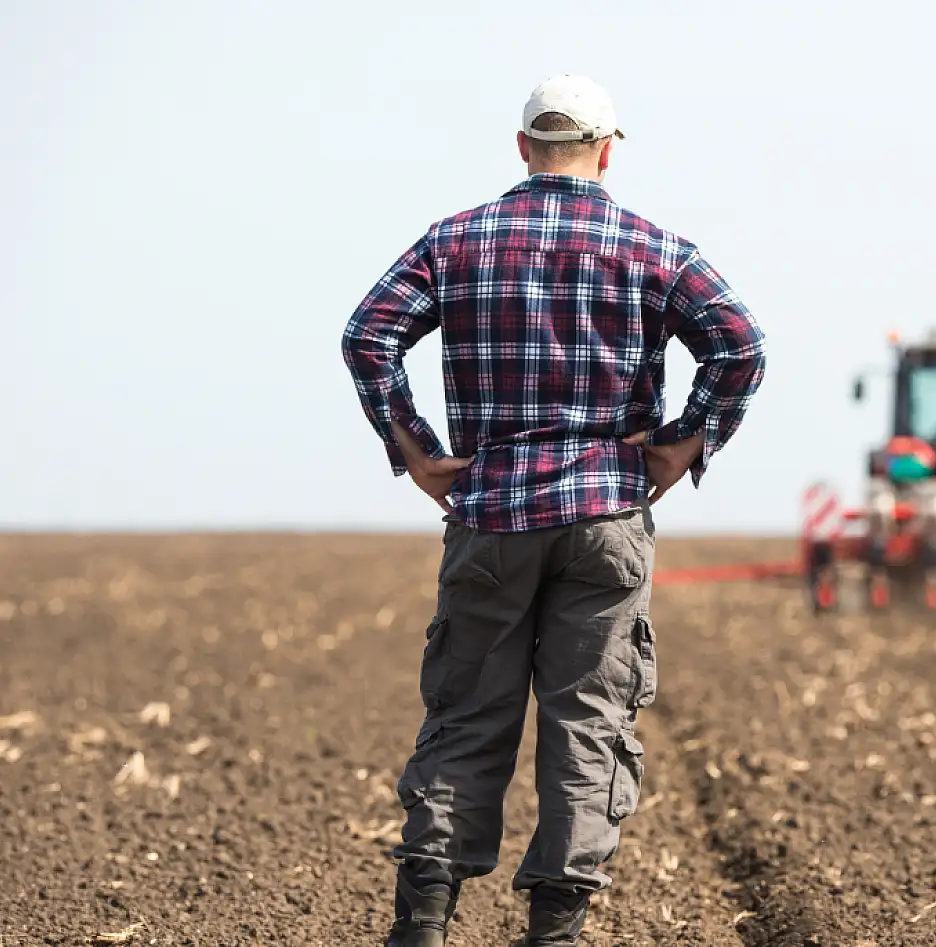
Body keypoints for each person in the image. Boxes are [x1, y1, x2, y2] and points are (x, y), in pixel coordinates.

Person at [340, 74, 766, 947]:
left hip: (491, 517)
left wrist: (416, 450)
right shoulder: (655, 248)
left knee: (466, 718)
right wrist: (686, 443)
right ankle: (556, 932)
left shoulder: (455, 241)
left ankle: (422, 927)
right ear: (608, 150)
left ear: (523, 147)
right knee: (589, 724)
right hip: (606, 517)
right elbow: (741, 343)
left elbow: (368, 332)